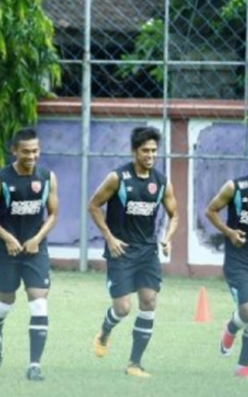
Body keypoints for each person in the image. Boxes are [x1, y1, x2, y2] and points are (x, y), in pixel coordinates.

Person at [89, 126, 178, 378]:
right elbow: (94, 206)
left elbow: (175, 214)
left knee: (149, 301)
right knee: (123, 308)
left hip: (148, 251)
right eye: (145, 150)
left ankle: (134, 364)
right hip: (121, 251)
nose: (150, 155)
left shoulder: (161, 182)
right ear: (134, 152)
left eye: (153, 151)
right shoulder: (117, 178)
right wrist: (110, 237)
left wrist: (168, 238)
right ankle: (105, 332)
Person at [0, 128, 59, 381]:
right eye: (26, 151)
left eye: (35, 150)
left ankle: (34, 365)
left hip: (35, 250)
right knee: (5, 304)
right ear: (14, 151)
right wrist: (8, 238)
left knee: (39, 302)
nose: (32, 155)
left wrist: (37, 239)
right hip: (6, 251)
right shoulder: (0, 180)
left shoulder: (47, 177)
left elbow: (53, 213)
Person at [205, 173, 248, 378]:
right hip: (238, 262)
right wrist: (230, 232)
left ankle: (243, 366)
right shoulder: (235, 187)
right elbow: (211, 211)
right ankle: (231, 327)